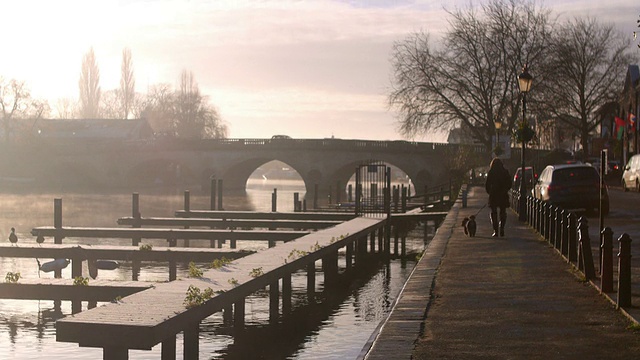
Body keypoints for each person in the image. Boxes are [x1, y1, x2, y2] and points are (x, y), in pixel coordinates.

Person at [485, 158, 512, 237]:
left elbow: (487, 184)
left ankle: (496, 230)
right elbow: (509, 183)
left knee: (494, 212)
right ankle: (502, 228)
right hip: (503, 194)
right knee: (503, 211)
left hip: (494, 194)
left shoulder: (491, 172)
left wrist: (490, 192)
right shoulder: (505, 172)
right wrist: (505, 189)